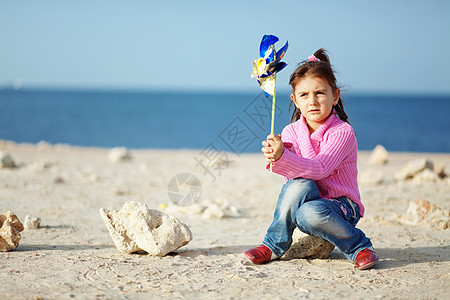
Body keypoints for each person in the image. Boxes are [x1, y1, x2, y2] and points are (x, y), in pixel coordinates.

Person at [244, 49, 379, 270]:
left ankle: (359, 246)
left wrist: (284, 156)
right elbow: (293, 179)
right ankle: (273, 244)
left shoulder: (342, 132)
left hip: (341, 207)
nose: (312, 101)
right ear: (295, 100)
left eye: (320, 93)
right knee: (298, 186)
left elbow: (320, 168)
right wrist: (276, 155)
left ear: (334, 96)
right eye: (304, 95)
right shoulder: (290, 131)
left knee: (309, 212)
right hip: (306, 202)